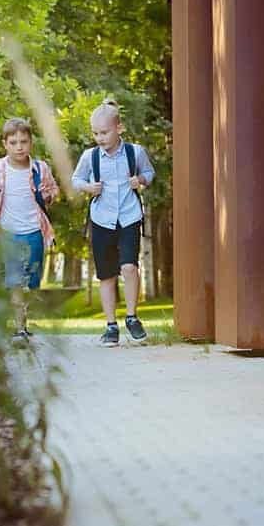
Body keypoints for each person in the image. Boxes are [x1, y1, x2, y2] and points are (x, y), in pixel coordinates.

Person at [71, 100, 155, 347]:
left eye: (104, 132)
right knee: (106, 275)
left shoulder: (135, 152)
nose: (99, 138)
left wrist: (139, 179)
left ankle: (131, 317)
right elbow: (76, 179)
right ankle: (111, 326)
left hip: (129, 216)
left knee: (129, 267)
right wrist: (88, 187)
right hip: (101, 220)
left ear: (119, 128)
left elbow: (149, 174)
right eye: (95, 133)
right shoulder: (90, 156)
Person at [0, 118, 59, 344]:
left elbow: (53, 190)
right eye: (13, 142)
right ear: (5, 144)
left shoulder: (40, 168)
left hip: (34, 232)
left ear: (31, 143)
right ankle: (19, 328)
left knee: (32, 282)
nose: (19, 147)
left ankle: (24, 322)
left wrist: (49, 196)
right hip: (9, 233)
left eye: (23, 142)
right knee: (15, 281)